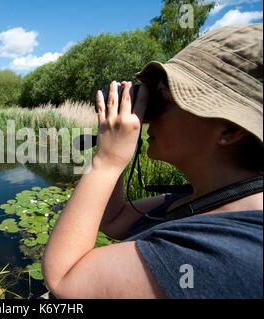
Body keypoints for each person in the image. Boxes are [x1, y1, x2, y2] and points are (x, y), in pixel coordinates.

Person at [42, 23, 263, 299]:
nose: (147, 116)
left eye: (165, 99)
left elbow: (63, 280)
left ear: (230, 129)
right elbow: (115, 219)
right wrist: (118, 153)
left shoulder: (230, 250)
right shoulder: (208, 199)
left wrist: (106, 162)